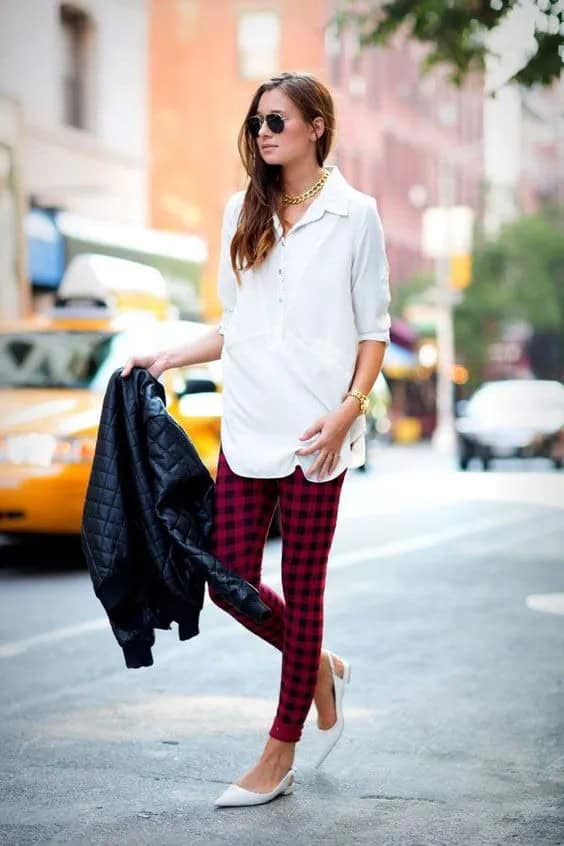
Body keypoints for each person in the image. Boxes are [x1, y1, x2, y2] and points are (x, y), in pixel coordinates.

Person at [121, 71, 391, 807]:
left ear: (315, 127)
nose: (264, 131)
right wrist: (168, 355)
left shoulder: (353, 214)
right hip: (247, 429)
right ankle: (320, 668)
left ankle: (280, 752)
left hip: (317, 438)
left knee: (303, 596)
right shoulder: (241, 210)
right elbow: (235, 325)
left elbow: (374, 334)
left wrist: (346, 413)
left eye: (277, 119)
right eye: (258, 120)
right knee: (228, 582)